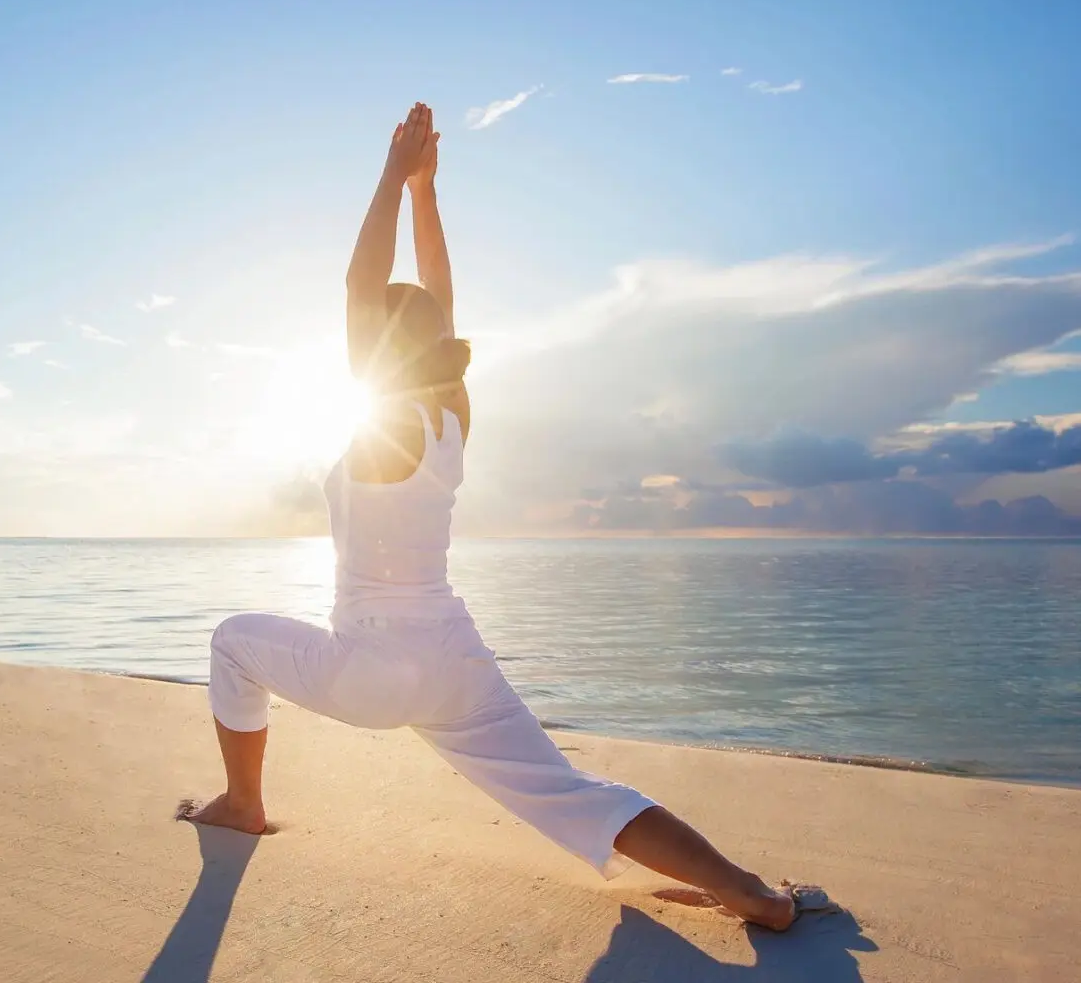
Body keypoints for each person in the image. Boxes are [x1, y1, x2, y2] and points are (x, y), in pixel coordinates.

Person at [184, 102, 801, 932]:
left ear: (380, 353)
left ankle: (242, 804)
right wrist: (427, 194)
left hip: (371, 660)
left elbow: (359, 287)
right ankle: (747, 892)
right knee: (574, 795)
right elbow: (436, 298)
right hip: (454, 655)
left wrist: (391, 176)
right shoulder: (446, 419)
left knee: (232, 641)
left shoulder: (390, 422)